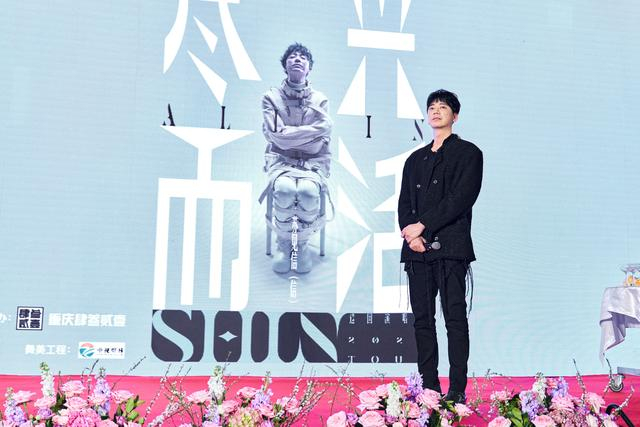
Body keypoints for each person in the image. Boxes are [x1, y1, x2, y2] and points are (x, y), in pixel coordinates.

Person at [397, 89, 483, 404]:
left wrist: (423, 226)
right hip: (417, 252)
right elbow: (404, 203)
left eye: (443, 107)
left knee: (455, 319)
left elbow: (461, 199)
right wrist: (412, 236)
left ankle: (456, 388)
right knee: (422, 321)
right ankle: (429, 387)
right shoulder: (414, 159)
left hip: (451, 249)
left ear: (454, 116)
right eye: (431, 107)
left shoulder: (469, 153)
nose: (435, 111)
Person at [260, 43, 332, 274]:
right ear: (285, 65)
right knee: (284, 190)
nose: (298, 59)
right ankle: (284, 245)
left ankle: (300, 246)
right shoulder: (271, 97)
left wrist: (288, 136)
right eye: (292, 56)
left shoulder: (320, 99)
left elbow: (321, 139)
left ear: (309, 67)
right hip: (280, 161)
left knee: (309, 193)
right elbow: (276, 137)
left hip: (313, 162)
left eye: (303, 57)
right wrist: (307, 136)